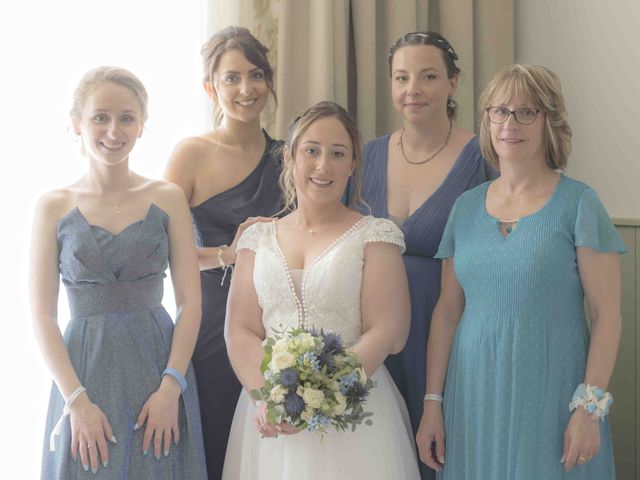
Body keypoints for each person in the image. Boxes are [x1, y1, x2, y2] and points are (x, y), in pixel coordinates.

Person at [416, 64, 624, 479]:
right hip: (472, 394)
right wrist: (432, 403)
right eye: (500, 111)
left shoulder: (580, 204)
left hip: (554, 397)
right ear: (487, 121)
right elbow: (447, 311)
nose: (510, 123)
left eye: (526, 112)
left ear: (550, 122)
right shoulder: (465, 207)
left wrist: (589, 409)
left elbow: (607, 316)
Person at [222, 101, 420, 479]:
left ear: (353, 164)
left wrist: (321, 398)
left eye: (338, 153)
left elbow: (388, 332)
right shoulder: (257, 238)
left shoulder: (374, 234)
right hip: (268, 413)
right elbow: (240, 328)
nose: (323, 166)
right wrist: (266, 397)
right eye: (311, 150)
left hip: (354, 413)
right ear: (290, 157)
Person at [32, 66, 207, 478]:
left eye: (127, 117)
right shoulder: (52, 205)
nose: (114, 129)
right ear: (76, 123)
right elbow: (42, 315)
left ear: (142, 125)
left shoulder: (167, 198)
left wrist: (171, 387)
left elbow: (190, 302)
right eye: (101, 117)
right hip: (83, 374)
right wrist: (76, 401)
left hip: (157, 368)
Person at [350, 30, 496, 479]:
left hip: (448, 332)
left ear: (453, 83)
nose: (412, 89)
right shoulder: (368, 154)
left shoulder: (483, 157)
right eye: (401, 77)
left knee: (441, 452)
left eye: (428, 76)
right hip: (372, 330)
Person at [163, 26, 282, 478]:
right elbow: (159, 250)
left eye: (255, 75)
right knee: (215, 432)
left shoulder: (288, 156)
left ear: (269, 81)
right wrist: (229, 255)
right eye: (231, 78)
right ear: (210, 87)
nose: (246, 89)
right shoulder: (191, 154)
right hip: (211, 317)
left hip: (276, 320)